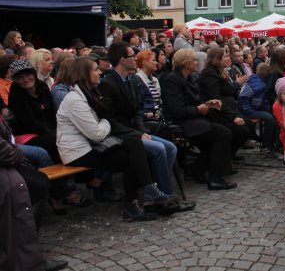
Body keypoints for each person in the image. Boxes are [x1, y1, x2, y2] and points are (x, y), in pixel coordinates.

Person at [56, 56, 175, 221]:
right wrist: (106, 120)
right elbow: (97, 132)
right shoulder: (75, 100)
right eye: (95, 70)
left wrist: (105, 121)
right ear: (84, 74)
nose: (100, 73)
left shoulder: (88, 93)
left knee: (134, 146)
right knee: (132, 154)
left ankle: (141, 198)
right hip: (77, 152)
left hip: (89, 145)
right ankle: (141, 198)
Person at [99, 42, 179, 200]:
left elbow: (137, 111)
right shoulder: (108, 84)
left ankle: (159, 190)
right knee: (159, 149)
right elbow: (110, 120)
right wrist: (137, 134)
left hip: (134, 132)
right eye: (132, 56)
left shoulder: (129, 80)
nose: (135, 59)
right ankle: (164, 196)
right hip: (121, 135)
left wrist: (141, 131)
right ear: (123, 60)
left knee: (170, 148)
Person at [161, 48, 236, 190]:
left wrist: (208, 104)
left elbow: (195, 101)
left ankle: (197, 168)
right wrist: (198, 109)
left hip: (193, 118)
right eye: (194, 60)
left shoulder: (188, 78)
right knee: (223, 134)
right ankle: (214, 177)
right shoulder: (173, 80)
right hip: (181, 122)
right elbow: (177, 110)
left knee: (221, 132)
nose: (196, 62)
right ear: (186, 63)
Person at [0, 115, 68, 271]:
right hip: (6, 169)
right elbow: (6, 151)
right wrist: (16, 153)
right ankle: (27, 257)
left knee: (39, 183)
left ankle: (30, 252)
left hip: (9, 162)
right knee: (31, 186)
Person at [199, 47, 251, 160]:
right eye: (225, 56)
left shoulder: (220, 72)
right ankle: (225, 157)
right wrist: (232, 117)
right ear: (217, 59)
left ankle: (228, 155)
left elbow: (227, 90)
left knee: (248, 125)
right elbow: (216, 100)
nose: (228, 58)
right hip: (217, 113)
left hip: (228, 110)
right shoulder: (210, 75)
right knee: (242, 130)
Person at [237, 63, 277, 157]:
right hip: (247, 109)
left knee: (270, 116)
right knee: (270, 118)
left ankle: (265, 141)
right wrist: (267, 107)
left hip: (244, 107)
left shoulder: (253, 78)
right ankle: (266, 145)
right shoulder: (261, 85)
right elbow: (257, 103)